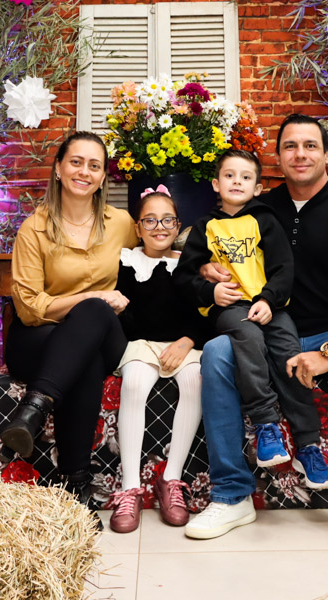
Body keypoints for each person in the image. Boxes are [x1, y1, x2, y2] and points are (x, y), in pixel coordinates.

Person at [183, 116, 328, 550]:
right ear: (278, 157)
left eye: (310, 145)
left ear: (327, 154)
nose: (300, 154)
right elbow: (212, 248)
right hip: (264, 331)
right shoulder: (257, 208)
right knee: (217, 354)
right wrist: (207, 268)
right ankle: (231, 495)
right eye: (290, 146)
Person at [175, 150, 328, 515]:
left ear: (258, 188)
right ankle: (266, 425)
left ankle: (308, 446)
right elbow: (183, 277)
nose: (237, 182)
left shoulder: (265, 220)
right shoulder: (204, 227)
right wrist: (211, 291)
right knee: (247, 338)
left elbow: (284, 269)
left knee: (290, 355)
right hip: (230, 309)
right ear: (216, 184)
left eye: (245, 177)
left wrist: (268, 299)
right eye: (229, 175)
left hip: (270, 306)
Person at [1, 131, 138, 530]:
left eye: (94, 165)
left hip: (105, 333)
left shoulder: (121, 224)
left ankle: (34, 409)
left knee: (94, 316)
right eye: (76, 162)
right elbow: (29, 309)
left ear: (103, 176)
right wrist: (91, 296)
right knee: (85, 354)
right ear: (59, 169)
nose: (84, 171)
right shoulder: (35, 229)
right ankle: (76, 487)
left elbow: (154, 257)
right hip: (39, 338)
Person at [108, 186, 207, 533]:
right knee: (135, 383)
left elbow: (203, 312)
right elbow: (130, 320)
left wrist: (187, 341)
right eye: (149, 220)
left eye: (167, 220)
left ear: (177, 225)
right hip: (142, 344)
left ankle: (171, 479)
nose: (159, 227)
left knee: (195, 381)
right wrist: (119, 309)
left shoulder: (189, 264)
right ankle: (130, 487)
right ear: (138, 228)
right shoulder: (126, 262)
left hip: (183, 344)